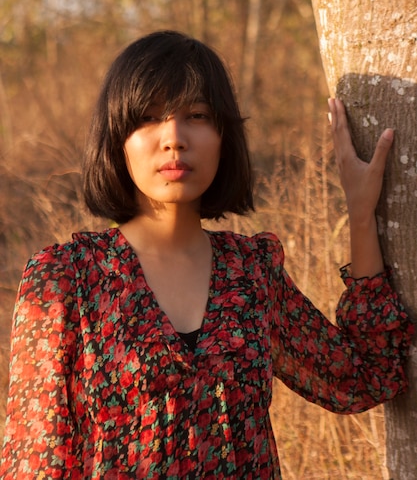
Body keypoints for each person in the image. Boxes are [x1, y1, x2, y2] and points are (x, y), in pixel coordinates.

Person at [0, 30, 414, 480]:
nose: (174, 137)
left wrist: (360, 213)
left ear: (223, 135)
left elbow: (363, 378)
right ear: (117, 138)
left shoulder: (251, 273)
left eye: (196, 115)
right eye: (148, 118)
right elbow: (36, 460)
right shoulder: (66, 280)